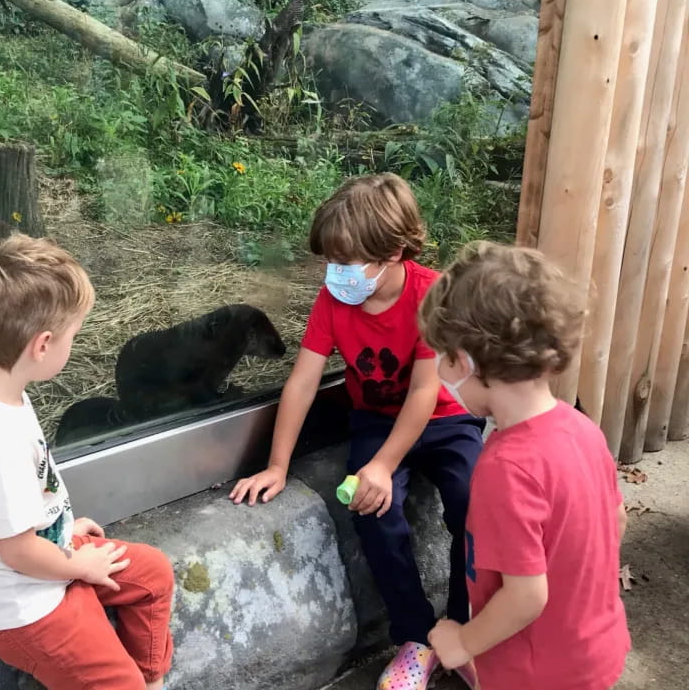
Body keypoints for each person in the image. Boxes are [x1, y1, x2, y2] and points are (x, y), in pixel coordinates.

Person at [230, 174, 484, 690]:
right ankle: (416, 638)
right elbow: (302, 382)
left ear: (392, 252)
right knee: (374, 512)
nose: (334, 273)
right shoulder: (333, 301)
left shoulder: (432, 294)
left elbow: (422, 393)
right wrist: (278, 464)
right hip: (375, 419)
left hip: (445, 418)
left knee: (473, 504)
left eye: (345, 261)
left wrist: (387, 465)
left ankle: (463, 626)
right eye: (330, 260)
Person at [0, 233, 174, 690]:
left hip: (48, 557)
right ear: (42, 345)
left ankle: (147, 677)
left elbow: (23, 508)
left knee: (153, 574)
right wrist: (78, 567)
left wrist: (62, 527)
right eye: (73, 335)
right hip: (19, 605)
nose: (73, 345)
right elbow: (18, 552)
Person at [419, 241, 630, 690]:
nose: (439, 369)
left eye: (445, 356)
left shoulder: (506, 467)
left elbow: (526, 597)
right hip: (594, 649)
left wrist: (462, 642)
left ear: (468, 360)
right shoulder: (581, 428)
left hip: (537, 673)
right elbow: (616, 521)